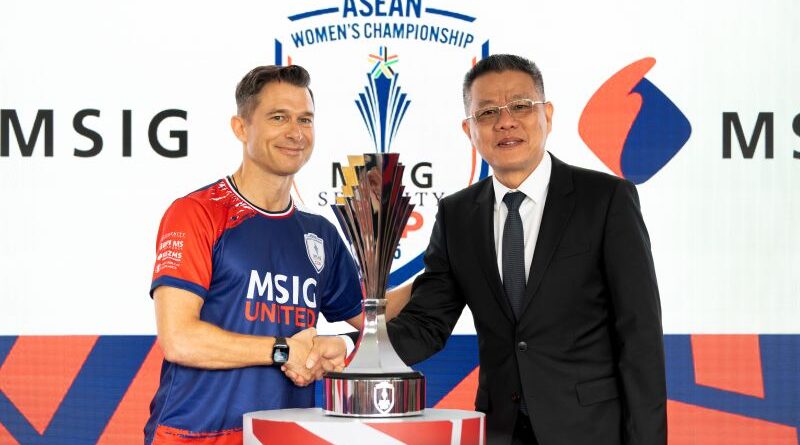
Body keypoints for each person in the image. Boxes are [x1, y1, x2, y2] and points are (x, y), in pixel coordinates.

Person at [386, 54, 667, 444]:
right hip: (501, 431)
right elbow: (426, 323)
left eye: (520, 106)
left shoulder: (605, 199)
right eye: (487, 113)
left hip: (591, 430)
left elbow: (639, 336)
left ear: (547, 115)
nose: (505, 122)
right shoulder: (457, 215)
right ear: (469, 129)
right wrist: (349, 348)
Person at [146, 65, 366, 445]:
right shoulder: (197, 213)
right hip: (193, 436)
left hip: (280, 437)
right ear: (241, 128)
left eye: (305, 119)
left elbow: (370, 319)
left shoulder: (320, 235)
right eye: (278, 117)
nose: (296, 132)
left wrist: (338, 344)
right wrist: (283, 351)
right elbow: (179, 339)